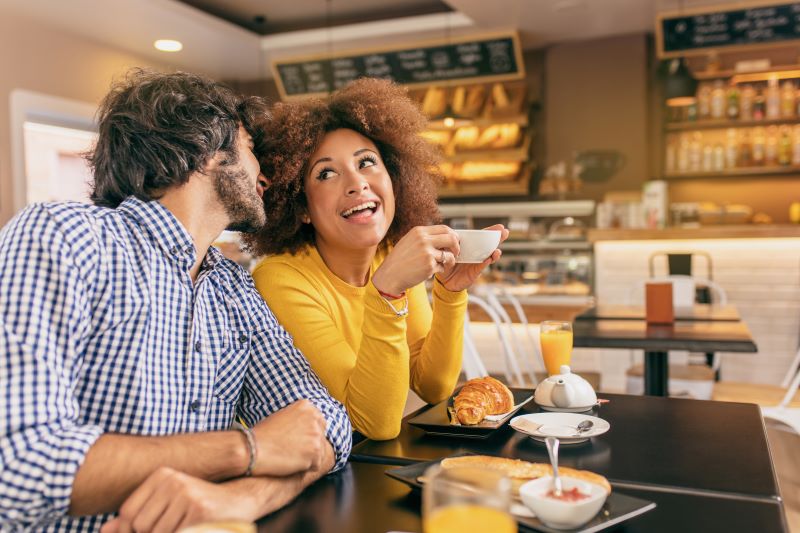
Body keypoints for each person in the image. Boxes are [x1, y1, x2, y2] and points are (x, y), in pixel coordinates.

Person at [0, 69, 351, 532]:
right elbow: (15, 470)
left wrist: (241, 500)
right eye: (249, 149)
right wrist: (249, 449)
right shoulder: (65, 236)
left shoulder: (234, 289)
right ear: (207, 152)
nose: (263, 173)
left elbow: (328, 427)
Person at [245, 78, 507, 440]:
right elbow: (375, 423)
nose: (357, 183)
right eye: (326, 173)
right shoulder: (281, 279)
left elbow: (434, 388)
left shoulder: (388, 254)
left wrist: (449, 292)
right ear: (302, 207)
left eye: (366, 162)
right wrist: (386, 292)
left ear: (394, 177)